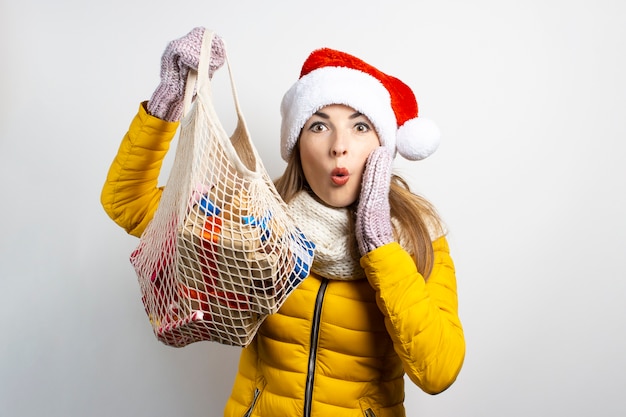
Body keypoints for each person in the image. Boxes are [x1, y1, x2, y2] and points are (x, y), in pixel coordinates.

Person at [101, 27, 465, 417]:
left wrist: (379, 245)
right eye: (319, 125)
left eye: (360, 126)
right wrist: (170, 97)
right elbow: (128, 203)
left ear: (384, 146)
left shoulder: (418, 236)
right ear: (297, 146)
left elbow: (438, 372)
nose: (338, 145)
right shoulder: (258, 216)